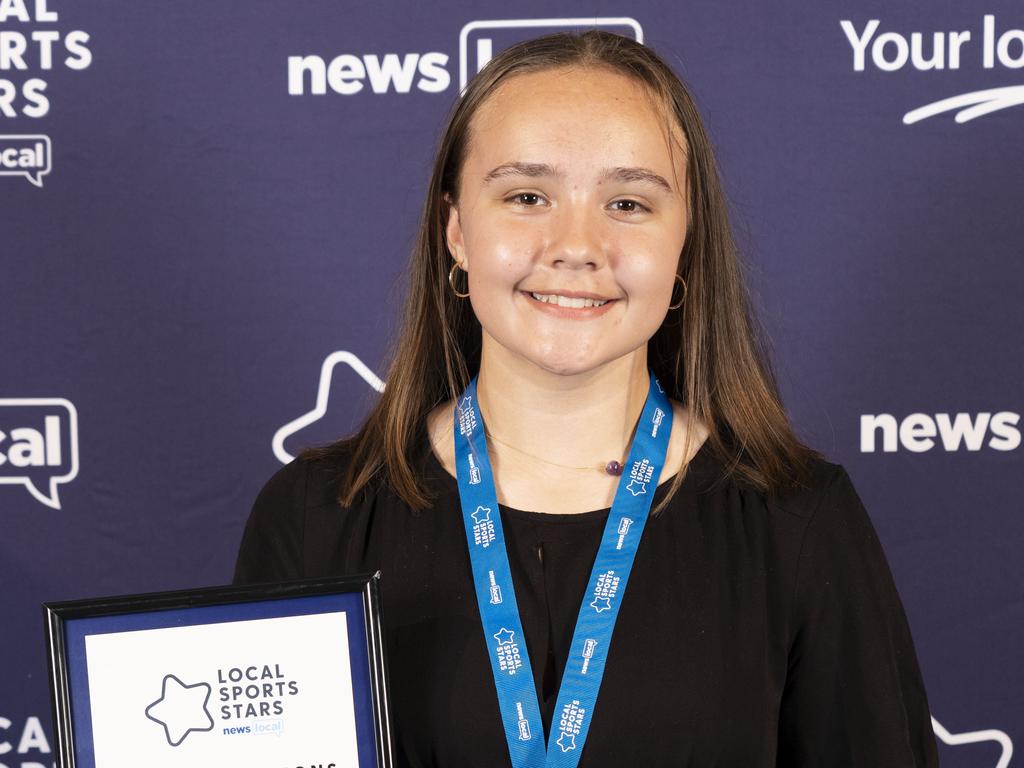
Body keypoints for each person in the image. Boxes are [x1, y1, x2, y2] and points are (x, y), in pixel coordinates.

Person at [234, 30, 939, 767]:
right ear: (456, 230)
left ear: (685, 242)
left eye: (628, 202)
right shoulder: (316, 520)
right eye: (527, 196)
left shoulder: (800, 524)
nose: (577, 245)